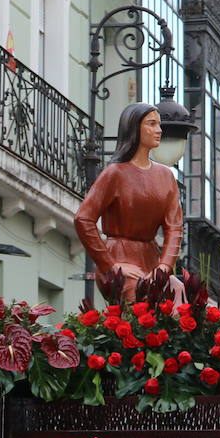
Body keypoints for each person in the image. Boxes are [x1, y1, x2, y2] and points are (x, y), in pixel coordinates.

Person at [74, 102, 185, 301]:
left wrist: (163, 267)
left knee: (177, 291)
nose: (158, 130)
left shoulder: (166, 176)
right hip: (117, 257)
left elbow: (174, 228)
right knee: (135, 292)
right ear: (134, 128)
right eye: (151, 124)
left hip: (150, 259)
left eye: (159, 124)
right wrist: (111, 265)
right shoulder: (115, 173)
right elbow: (84, 219)